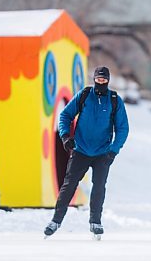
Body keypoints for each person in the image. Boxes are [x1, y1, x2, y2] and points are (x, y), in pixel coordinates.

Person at [44, 66, 129, 237]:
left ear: (108, 80)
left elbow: (122, 128)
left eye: (104, 79)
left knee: (99, 187)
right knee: (68, 186)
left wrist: (113, 151)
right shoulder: (84, 95)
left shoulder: (114, 100)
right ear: (94, 79)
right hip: (80, 150)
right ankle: (55, 221)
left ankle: (95, 222)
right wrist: (66, 137)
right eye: (98, 79)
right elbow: (65, 116)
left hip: (102, 153)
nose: (101, 82)